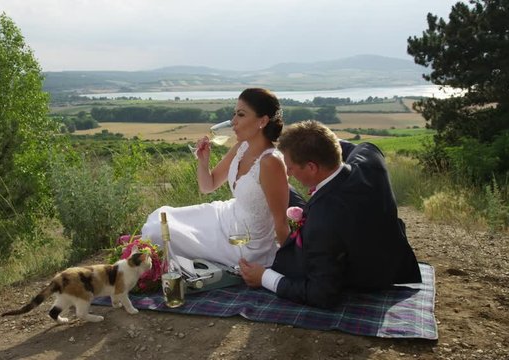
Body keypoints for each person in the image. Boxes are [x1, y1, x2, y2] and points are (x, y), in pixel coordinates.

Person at [240, 120, 422, 308]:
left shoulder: (323, 222)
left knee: (284, 188)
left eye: (291, 167)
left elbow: (321, 294)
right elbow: (344, 146)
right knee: (284, 187)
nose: (288, 172)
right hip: (391, 258)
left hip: (366, 277)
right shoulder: (370, 160)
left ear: (312, 167)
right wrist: (314, 142)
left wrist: (264, 277)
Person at [141, 88, 290, 267]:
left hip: (243, 244)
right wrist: (203, 162)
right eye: (234, 114)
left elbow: (280, 222)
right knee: (160, 219)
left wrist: (288, 268)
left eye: (241, 115)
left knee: (158, 234)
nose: (233, 122)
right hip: (225, 216)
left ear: (263, 121)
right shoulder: (242, 147)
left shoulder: (270, 162)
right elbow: (208, 186)